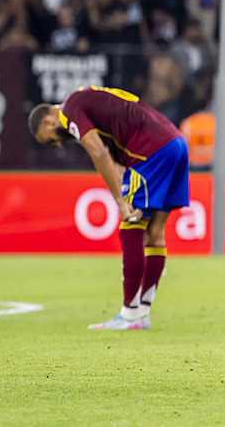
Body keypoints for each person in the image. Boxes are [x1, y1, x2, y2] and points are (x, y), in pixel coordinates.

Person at [28, 86, 189, 330]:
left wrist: (121, 203)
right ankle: (142, 313)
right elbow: (112, 156)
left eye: (51, 140)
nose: (58, 145)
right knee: (154, 233)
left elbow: (99, 152)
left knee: (131, 224)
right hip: (175, 143)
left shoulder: (69, 111)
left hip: (151, 150)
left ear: (49, 121)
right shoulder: (89, 103)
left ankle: (129, 314)